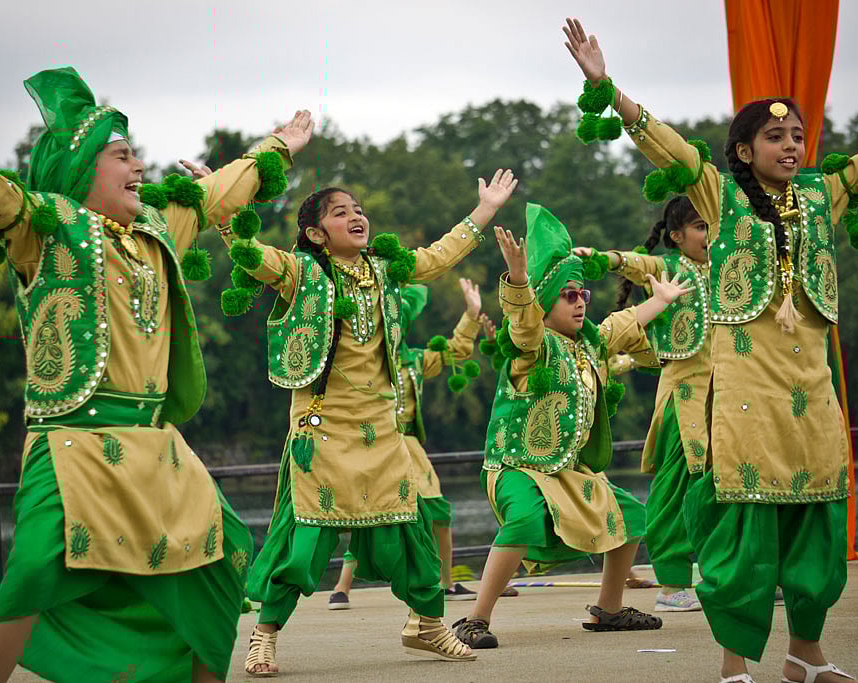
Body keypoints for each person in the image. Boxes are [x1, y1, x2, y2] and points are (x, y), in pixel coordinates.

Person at [0, 66, 313, 683]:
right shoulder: (43, 228)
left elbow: (217, 192)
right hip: (71, 446)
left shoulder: (155, 229)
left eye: (136, 154)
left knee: (219, 560)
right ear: (80, 167)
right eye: (122, 155)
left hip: (154, 448)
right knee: (37, 569)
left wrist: (275, 145)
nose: (139, 167)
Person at [562, 16, 858, 682]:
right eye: (774, 136)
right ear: (743, 149)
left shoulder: (824, 193)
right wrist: (609, 87)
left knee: (817, 523)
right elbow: (669, 148)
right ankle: (734, 666)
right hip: (742, 396)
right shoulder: (720, 196)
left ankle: (805, 653)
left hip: (812, 391)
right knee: (743, 532)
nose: (791, 144)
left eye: (796, 135)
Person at [238, 171, 518, 676]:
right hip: (322, 428)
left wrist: (485, 210)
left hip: (383, 429)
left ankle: (427, 626)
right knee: (305, 537)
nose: (356, 216)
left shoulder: (386, 268)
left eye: (358, 209)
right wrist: (228, 199)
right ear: (316, 233)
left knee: (408, 527)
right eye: (340, 212)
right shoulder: (301, 272)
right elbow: (250, 252)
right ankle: (264, 634)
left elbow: (439, 255)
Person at [452, 203, 691, 649]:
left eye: (583, 294)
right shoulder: (534, 347)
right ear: (546, 303)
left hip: (567, 471)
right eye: (569, 295)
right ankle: (473, 620)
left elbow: (624, 323)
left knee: (631, 516)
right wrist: (520, 280)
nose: (580, 301)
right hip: (518, 467)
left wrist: (658, 302)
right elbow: (522, 325)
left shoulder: (590, 345)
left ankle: (610, 610)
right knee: (522, 521)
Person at [327, 279, 492, 609]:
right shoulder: (361, 363)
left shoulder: (414, 361)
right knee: (369, 511)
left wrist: (472, 313)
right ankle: (341, 587)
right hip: (371, 445)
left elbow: (456, 350)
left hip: (408, 447)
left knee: (439, 512)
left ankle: (446, 581)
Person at [582, 196, 709, 613]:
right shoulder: (671, 269)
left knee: (734, 486)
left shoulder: (730, 267)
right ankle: (673, 582)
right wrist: (601, 257)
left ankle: (732, 573)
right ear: (676, 237)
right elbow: (636, 265)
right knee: (676, 489)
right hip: (685, 399)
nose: (710, 236)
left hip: (733, 394)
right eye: (700, 227)